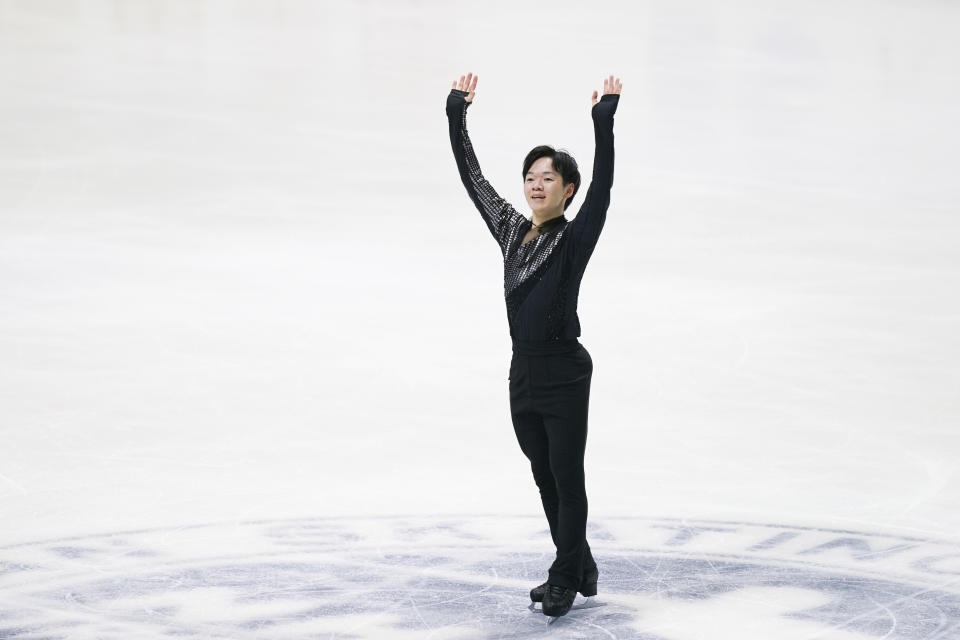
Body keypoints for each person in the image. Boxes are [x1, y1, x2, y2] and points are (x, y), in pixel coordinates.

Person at [445, 72, 621, 618]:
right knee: (544, 476)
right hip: (522, 375)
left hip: (564, 374)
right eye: (530, 177)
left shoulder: (573, 238)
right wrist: (457, 116)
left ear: (567, 190)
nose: (535, 185)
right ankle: (578, 562)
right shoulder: (511, 232)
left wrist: (603, 126)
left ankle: (564, 576)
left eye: (548, 178)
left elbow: (605, 190)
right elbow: (474, 181)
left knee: (567, 478)